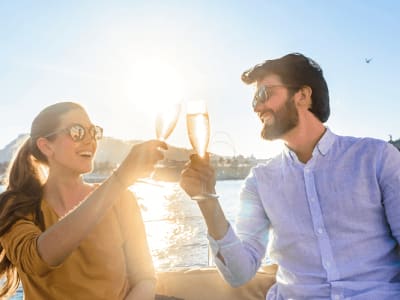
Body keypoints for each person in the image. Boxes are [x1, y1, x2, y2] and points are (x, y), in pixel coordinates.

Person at [179, 53, 400, 299]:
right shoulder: (260, 181)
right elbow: (239, 274)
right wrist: (206, 200)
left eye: (264, 94)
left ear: (303, 96)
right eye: (254, 100)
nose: (256, 106)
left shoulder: (376, 158)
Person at [0, 101, 167, 299]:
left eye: (93, 132)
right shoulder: (16, 207)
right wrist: (120, 179)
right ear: (46, 146)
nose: (90, 141)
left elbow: (145, 278)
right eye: (77, 132)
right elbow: (38, 260)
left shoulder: (122, 200)